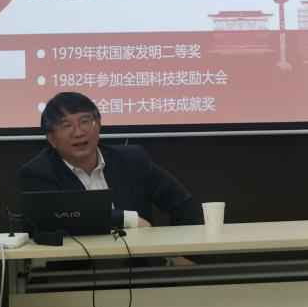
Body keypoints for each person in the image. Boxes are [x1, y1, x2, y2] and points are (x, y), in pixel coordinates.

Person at [19, 91, 203, 230]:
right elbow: (51, 220)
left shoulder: (132, 160)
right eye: (66, 126)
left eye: (85, 121)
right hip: (76, 267)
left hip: (140, 264)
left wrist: (183, 255)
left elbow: (182, 203)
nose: (79, 132)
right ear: (51, 138)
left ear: (98, 125)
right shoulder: (39, 172)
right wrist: (127, 219)